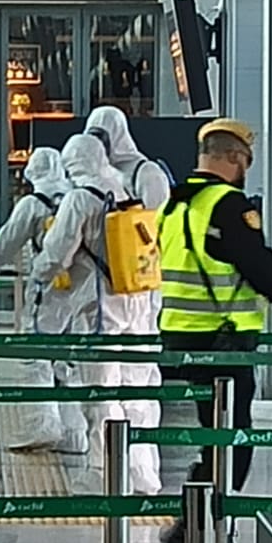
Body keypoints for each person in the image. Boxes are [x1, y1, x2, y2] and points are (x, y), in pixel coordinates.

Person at [157, 119, 272, 543]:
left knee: (216, 441)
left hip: (180, 337)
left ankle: (193, 526)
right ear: (234, 158)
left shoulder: (174, 203)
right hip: (223, 342)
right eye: (245, 162)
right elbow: (261, 269)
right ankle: (208, 533)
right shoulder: (227, 206)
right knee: (235, 443)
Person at [29, 134, 162, 494]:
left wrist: (38, 271)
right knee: (137, 391)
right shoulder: (124, 190)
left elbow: (57, 255)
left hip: (101, 311)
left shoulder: (80, 200)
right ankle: (143, 472)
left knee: (101, 392)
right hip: (137, 302)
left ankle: (103, 473)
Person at [0, 147, 89, 454]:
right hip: (81, 293)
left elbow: (7, 242)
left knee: (36, 356)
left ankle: (42, 425)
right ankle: (76, 434)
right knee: (68, 363)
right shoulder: (78, 198)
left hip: (47, 289)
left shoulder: (34, 204)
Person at [86, 106, 169, 487]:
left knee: (133, 384)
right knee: (114, 382)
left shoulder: (143, 174)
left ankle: (138, 472)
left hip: (132, 296)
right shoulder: (113, 177)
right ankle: (122, 472)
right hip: (121, 293)